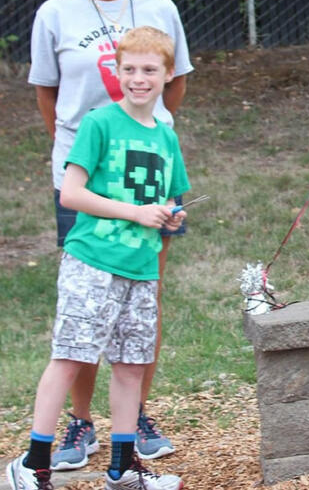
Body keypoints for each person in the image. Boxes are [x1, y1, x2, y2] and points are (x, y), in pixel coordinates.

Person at [27, 0, 192, 469]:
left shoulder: (158, 7)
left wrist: (145, 138)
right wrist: (82, 153)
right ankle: (80, 425)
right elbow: (48, 95)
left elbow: (175, 86)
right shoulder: (54, 14)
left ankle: (135, 417)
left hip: (146, 183)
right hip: (83, 181)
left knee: (142, 300)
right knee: (86, 306)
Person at [7, 26, 190, 490]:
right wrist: (134, 212)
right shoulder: (99, 123)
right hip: (92, 263)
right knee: (69, 356)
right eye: (129, 69)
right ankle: (32, 465)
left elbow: (169, 200)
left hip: (141, 269)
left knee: (130, 367)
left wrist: (169, 216)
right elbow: (71, 193)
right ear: (115, 72)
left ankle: (123, 469)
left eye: (150, 70)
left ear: (168, 74)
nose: (139, 78)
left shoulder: (166, 138)